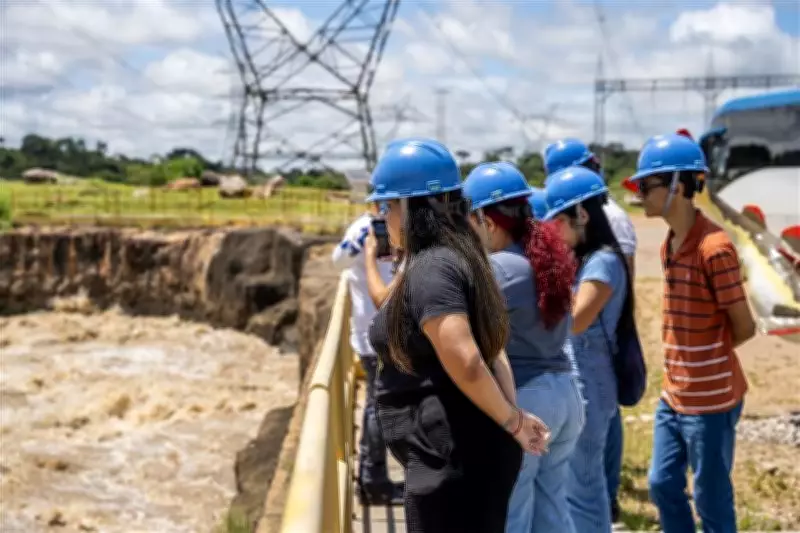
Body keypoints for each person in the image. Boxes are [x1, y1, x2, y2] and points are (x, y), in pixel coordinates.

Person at [366, 138, 551, 533]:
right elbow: (493, 350)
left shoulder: (433, 268)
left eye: (388, 206)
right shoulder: (457, 257)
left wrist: (513, 423)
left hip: (453, 462)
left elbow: (466, 358)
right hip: (459, 455)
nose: (385, 218)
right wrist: (509, 418)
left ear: (413, 207)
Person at [628, 133, 756, 533]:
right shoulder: (671, 241)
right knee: (662, 484)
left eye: (647, 186)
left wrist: (706, 355)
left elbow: (745, 325)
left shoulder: (713, 248)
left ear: (678, 188)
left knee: (711, 497)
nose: (640, 194)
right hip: (675, 394)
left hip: (712, 402)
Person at [462, 163, 584, 533]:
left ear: (486, 219)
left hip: (529, 399)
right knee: (551, 513)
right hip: (565, 395)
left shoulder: (501, 269)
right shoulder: (543, 260)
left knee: (510, 516)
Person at [544, 138, 638, 521]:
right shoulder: (587, 260)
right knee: (574, 487)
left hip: (590, 382)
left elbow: (577, 319)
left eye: (558, 223)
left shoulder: (604, 263)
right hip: (580, 377)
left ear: (582, 215)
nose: (554, 232)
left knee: (585, 486)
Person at [331, 209, 404, 505]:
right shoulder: (366, 229)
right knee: (378, 406)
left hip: (378, 333)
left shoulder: (370, 228)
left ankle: (373, 478)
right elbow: (340, 260)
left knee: (378, 404)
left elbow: (340, 261)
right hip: (378, 335)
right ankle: (373, 481)